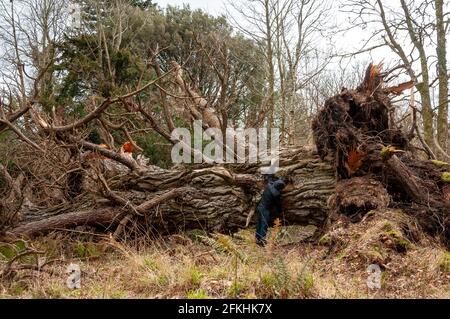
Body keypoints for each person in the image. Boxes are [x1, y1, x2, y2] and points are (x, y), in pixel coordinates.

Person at [255, 178, 286, 246]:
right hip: (265, 209)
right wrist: (280, 210)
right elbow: (278, 204)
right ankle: (262, 241)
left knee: (259, 222)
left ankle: (257, 238)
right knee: (264, 224)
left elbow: (270, 179)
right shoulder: (276, 193)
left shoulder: (269, 184)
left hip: (259, 206)